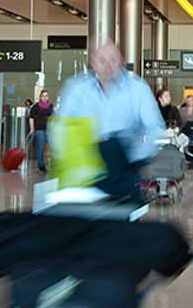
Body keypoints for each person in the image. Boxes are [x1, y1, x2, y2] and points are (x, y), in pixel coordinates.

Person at [53, 39, 163, 201]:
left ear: (121, 61)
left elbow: (155, 127)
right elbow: (60, 127)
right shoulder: (77, 89)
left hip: (124, 167)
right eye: (102, 60)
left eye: (113, 60)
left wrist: (135, 158)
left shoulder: (137, 88)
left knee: (125, 220)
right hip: (85, 170)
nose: (108, 66)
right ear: (92, 62)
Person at [29, 90, 54, 172]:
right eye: (43, 96)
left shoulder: (51, 106)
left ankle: (54, 165)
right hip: (39, 129)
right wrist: (32, 128)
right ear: (40, 97)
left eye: (46, 95)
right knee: (41, 147)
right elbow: (31, 118)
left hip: (49, 130)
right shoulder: (35, 107)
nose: (45, 97)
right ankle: (41, 166)